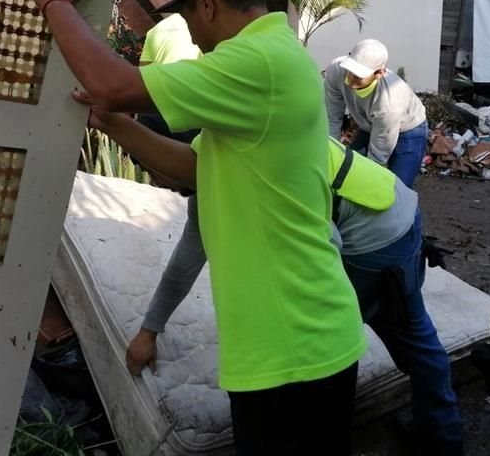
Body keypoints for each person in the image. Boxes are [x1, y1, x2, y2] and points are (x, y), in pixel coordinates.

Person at [20, 0, 367, 454]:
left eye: (187, 18)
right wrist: (113, 125)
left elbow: (111, 82)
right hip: (295, 340)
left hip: (294, 346)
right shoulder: (271, 59)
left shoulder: (257, 62)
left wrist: (54, 2)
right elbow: (197, 167)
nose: (194, 38)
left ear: (204, 4)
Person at [126, 135, 464, 456]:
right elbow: (186, 259)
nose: (153, 179)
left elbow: (323, 247)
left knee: (328, 347)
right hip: (388, 208)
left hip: (378, 238)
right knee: (409, 337)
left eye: (152, 165)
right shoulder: (218, 165)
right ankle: (440, 436)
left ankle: (435, 438)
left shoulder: (254, 174)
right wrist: (150, 329)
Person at [324, 38, 428, 187]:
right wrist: (330, 153)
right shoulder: (336, 70)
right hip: (371, 125)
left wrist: (368, 181)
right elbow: (332, 116)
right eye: (350, 71)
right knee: (347, 175)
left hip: (409, 130)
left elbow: (379, 152)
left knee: (397, 192)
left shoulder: (390, 99)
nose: (351, 81)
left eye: (359, 77)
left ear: (379, 73)